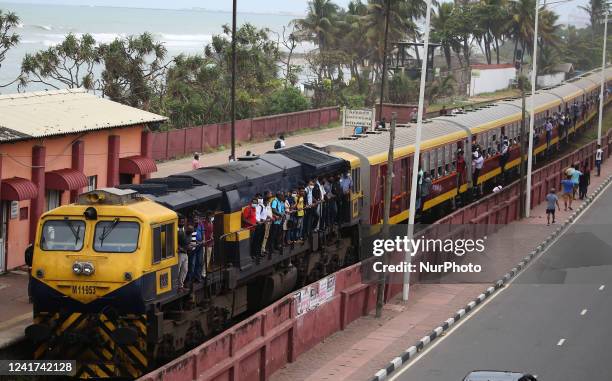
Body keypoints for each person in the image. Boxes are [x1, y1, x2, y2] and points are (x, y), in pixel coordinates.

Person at [177, 217, 190, 291]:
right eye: (181, 222)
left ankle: (180, 285)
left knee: (185, 269)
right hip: (179, 253)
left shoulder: (185, 230)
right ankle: (176, 286)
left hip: (185, 253)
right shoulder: (176, 229)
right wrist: (179, 247)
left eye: (183, 221)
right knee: (178, 270)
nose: (182, 223)